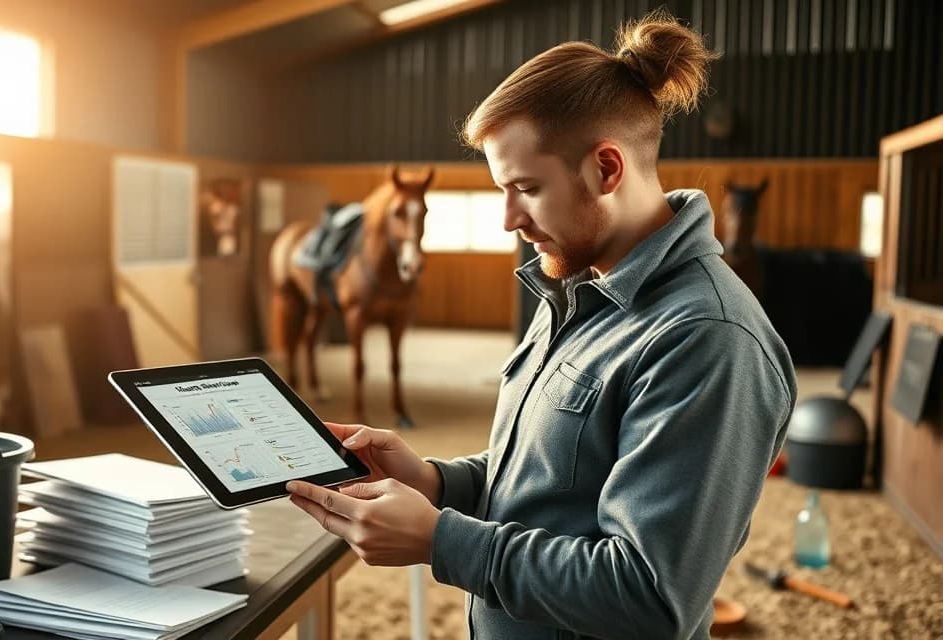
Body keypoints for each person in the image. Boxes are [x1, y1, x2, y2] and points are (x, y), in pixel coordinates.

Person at [285, 10, 796, 640]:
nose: (508, 220)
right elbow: (549, 482)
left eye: (525, 187)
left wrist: (442, 540)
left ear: (607, 170)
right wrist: (434, 481)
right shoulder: (572, 286)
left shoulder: (708, 340)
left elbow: (649, 598)